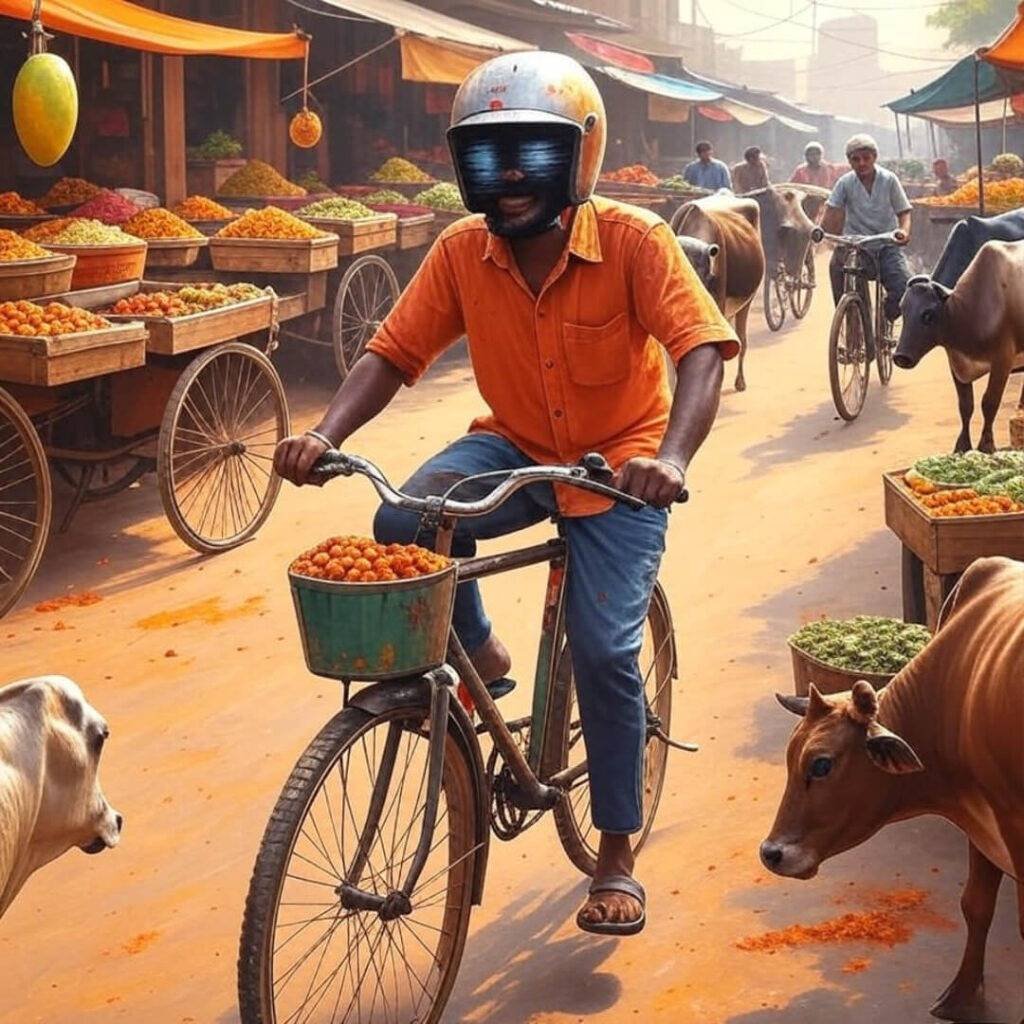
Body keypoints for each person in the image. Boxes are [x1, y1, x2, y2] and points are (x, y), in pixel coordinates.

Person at [274, 51, 738, 937]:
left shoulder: (636, 241)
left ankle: (614, 850)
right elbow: (391, 352)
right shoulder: (460, 253)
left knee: (605, 655)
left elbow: (701, 351)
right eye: (490, 159)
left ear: (581, 156)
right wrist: (326, 434)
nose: (513, 178)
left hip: (621, 463)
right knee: (402, 519)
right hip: (514, 442)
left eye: (534, 153)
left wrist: (672, 458)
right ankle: (479, 653)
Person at [821, 133, 912, 338]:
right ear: (849, 161)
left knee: (905, 290)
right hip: (857, 246)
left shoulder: (889, 180)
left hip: (886, 245)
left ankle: (885, 317)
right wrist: (821, 232)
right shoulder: (844, 183)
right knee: (836, 266)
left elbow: (904, 211)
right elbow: (831, 211)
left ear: (874, 157)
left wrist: (904, 231)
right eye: (856, 159)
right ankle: (851, 326)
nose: (861, 163)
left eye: (866, 157)